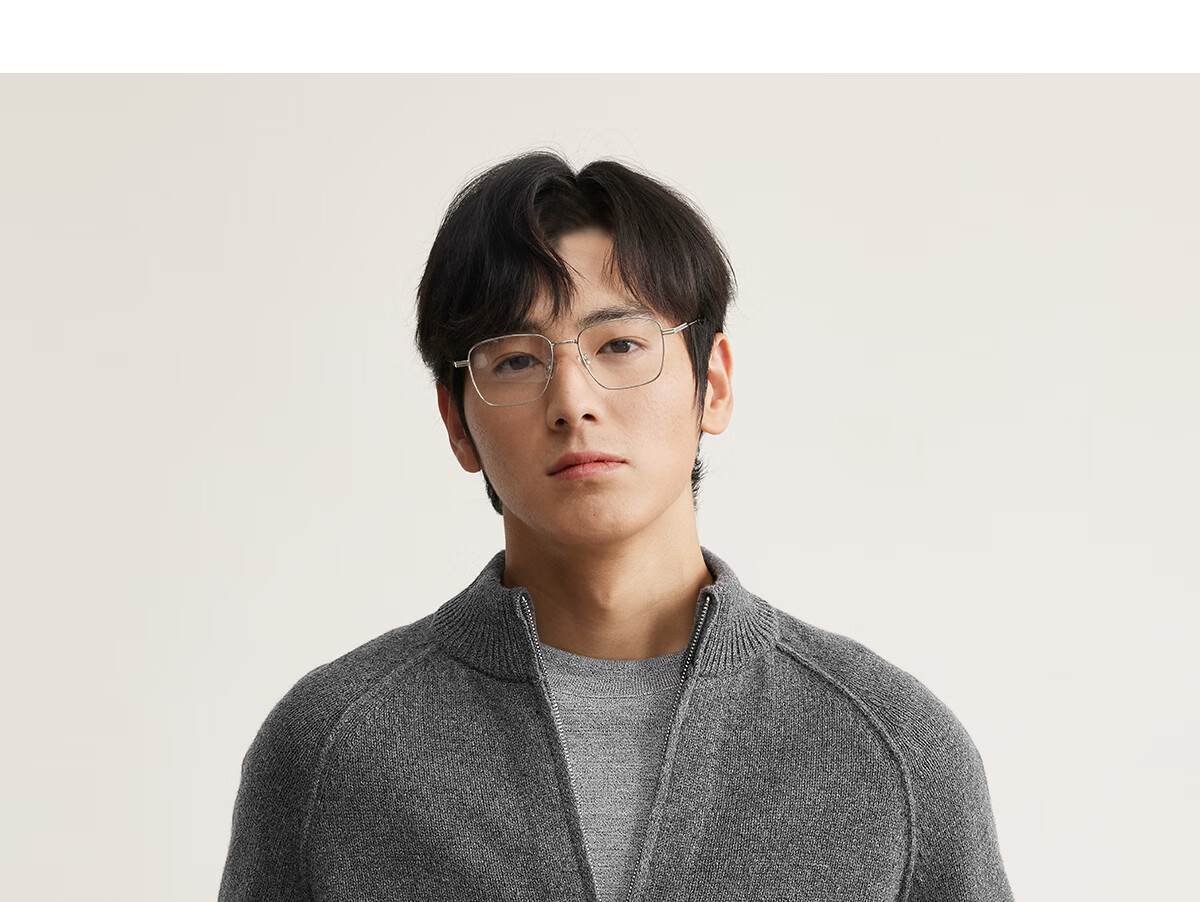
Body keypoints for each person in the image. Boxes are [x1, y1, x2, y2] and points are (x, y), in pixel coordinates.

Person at [218, 151, 1014, 902]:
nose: (573, 402)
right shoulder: (332, 749)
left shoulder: (893, 748)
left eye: (622, 344)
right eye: (516, 360)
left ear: (713, 385)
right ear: (457, 423)